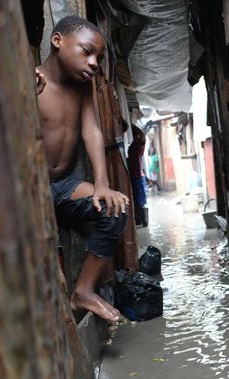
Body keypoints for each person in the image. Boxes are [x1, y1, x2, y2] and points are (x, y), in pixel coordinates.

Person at [37, 16, 128, 322]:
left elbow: (91, 131)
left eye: (98, 58)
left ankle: (83, 292)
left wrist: (101, 184)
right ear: (57, 40)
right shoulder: (31, 81)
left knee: (114, 210)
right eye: (86, 52)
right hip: (25, 191)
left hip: (62, 185)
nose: (93, 63)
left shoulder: (83, 86)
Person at [128, 125, 147, 226]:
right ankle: (140, 220)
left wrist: (132, 126)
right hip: (134, 175)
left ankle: (142, 220)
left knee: (137, 200)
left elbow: (142, 136)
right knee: (136, 199)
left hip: (136, 176)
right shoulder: (132, 147)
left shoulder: (137, 146)